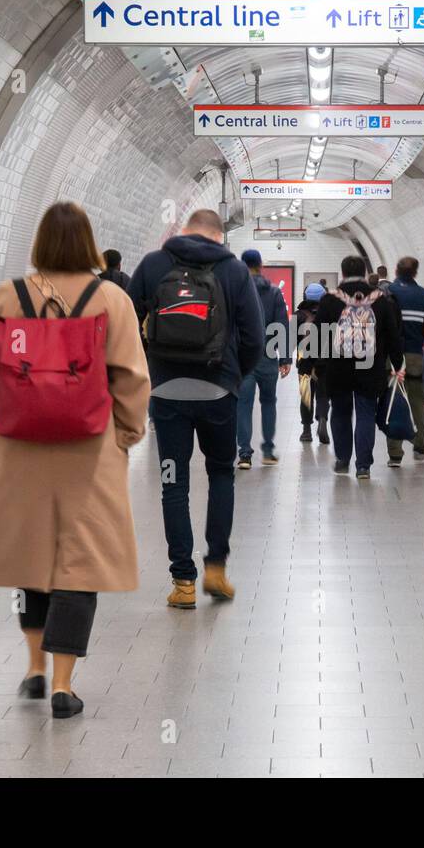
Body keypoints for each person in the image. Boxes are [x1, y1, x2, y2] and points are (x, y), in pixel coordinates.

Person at [0, 202, 151, 719]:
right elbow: (133, 379)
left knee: (32, 557)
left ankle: (33, 666)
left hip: (19, 449)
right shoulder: (110, 299)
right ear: (89, 243)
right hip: (88, 453)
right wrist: (126, 435)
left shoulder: (9, 295)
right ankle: (64, 686)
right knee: (78, 562)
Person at [128, 209, 264, 608]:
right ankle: (217, 571)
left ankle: (183, 582)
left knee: (174, 482)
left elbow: (124, 319)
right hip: (218, 392)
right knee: (221, 475)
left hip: (168, 394)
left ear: (183, 230)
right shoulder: (235, 271)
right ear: (220, 236)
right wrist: (235, 375)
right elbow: (254, 335)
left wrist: (149, 366)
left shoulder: (154, 264)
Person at [315, 255, 404, 479]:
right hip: (370, 366)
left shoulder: (329, 300)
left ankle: (343, 459)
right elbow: (393, 335)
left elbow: (317, 336)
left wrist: (313, 365)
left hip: (338, 367)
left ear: (342, 273)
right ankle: (363, 466)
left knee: (341, 412)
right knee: (366, 413)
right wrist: (397, 363)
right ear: (365, 273)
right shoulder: (380, 299)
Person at [236, 249, 290, 468]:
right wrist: (285, 358)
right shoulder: (274, 292)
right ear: (260, 265)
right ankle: (267, 451)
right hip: (267, 355)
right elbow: (281, 327)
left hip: (242, 357)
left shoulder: (235, 291)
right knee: (268, 402)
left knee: (243, 405)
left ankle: (245, 455)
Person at [386, 257, 424, 466]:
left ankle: (395, 453)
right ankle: (420, 443)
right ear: (415, 273)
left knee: (395, 403)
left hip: (391, 358)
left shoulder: (388, 293)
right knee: (417, 403)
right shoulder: (423, 295)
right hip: (415, 356)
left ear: (396, 270)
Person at [295, 282, 329, 444]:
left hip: (304, 363)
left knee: (306, 396)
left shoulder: (299, 316)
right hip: (325, 361)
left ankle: (306, 431)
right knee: (323, 394)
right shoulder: (329, 314)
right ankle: (322, 419)